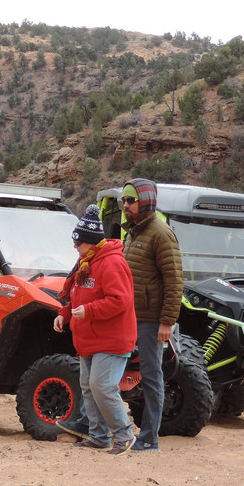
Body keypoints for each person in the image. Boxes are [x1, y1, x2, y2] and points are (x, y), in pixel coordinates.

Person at [53, 205, 138, 455]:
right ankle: (99, 436)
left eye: (78, 243)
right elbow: (79, 294)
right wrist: (65, 313)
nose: (75, 248)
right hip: (90, 338)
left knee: (102, 386)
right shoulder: (86, 261)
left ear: (90, 242)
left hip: (112, 339)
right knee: (89, 387)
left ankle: (123, 434)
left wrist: (88, 311)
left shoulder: (111, 263)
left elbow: (120, 300)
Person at [121, 178, 183, 453]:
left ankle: (149, 438)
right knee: (114, 370)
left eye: (130, 200)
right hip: (128, 317)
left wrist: (167, 321)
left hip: (151, 320)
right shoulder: (132, 232)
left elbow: (174, 281)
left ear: (145, 201)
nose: (125, 205)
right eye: (124, 200)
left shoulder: (161, 233)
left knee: (150, 376)